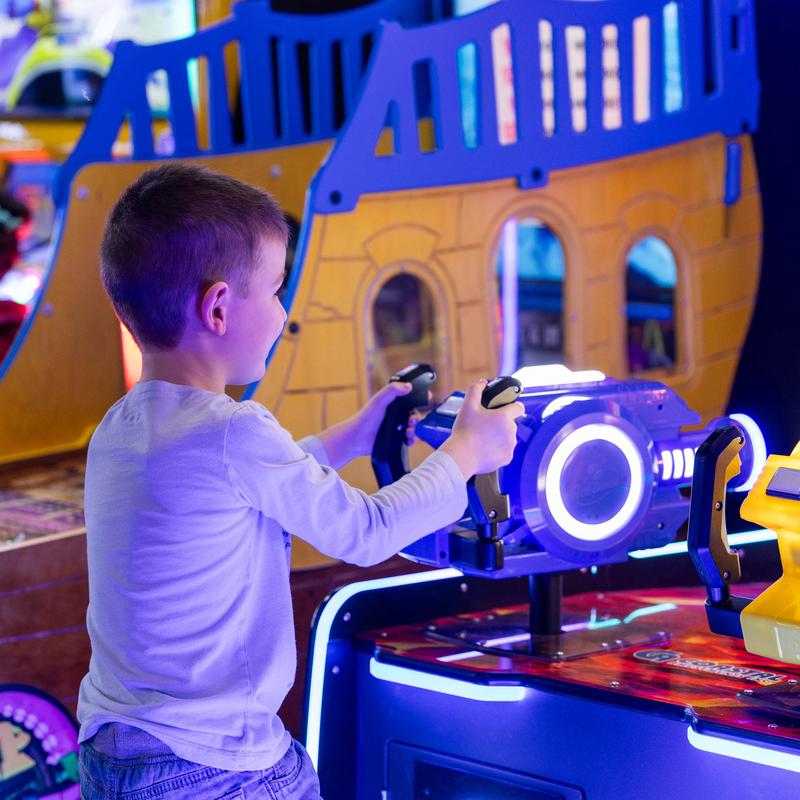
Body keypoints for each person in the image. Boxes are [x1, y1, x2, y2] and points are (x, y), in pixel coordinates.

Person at [77, 163, 522, 799]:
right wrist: (466, 451)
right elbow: (367, 531)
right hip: (212, 765)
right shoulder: (233, 431)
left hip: (119, 754)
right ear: (219, 308)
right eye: (275, 291)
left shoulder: (121, 428)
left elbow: (245, 494)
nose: (283, 313)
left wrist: (353, 436)